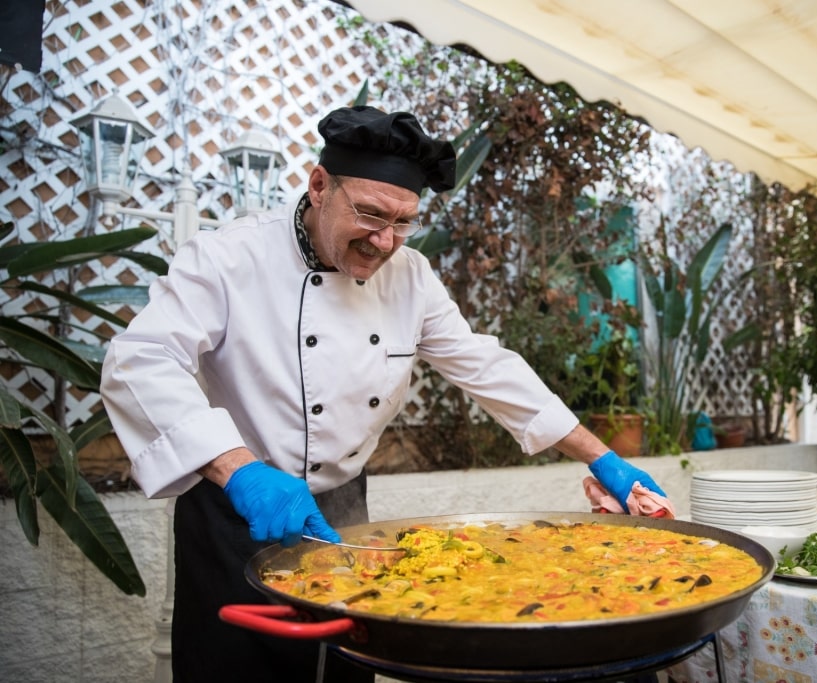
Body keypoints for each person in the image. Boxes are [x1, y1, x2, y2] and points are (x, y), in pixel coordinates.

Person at [100, 105, 668, 682]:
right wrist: (239, 470)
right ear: (320, 186)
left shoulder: (411, 276)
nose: (383, 241)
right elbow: (140, 360)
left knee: (344, 670)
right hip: (236, 516)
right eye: (370, 215)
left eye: (403, 223)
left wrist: (600, 455)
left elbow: (485, 366)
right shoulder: (228, 256)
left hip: (344, 517)